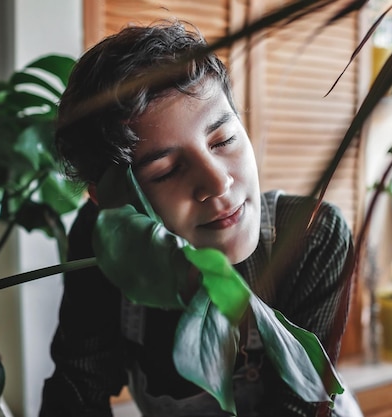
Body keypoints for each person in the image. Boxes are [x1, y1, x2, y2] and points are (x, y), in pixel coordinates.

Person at [40, 19, 358, 417]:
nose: (218, 182)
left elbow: (302, 405)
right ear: (108, 202)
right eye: (167, 170)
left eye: (224, 140)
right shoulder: (100, 239)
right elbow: (77, 386)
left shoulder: (312, 235)